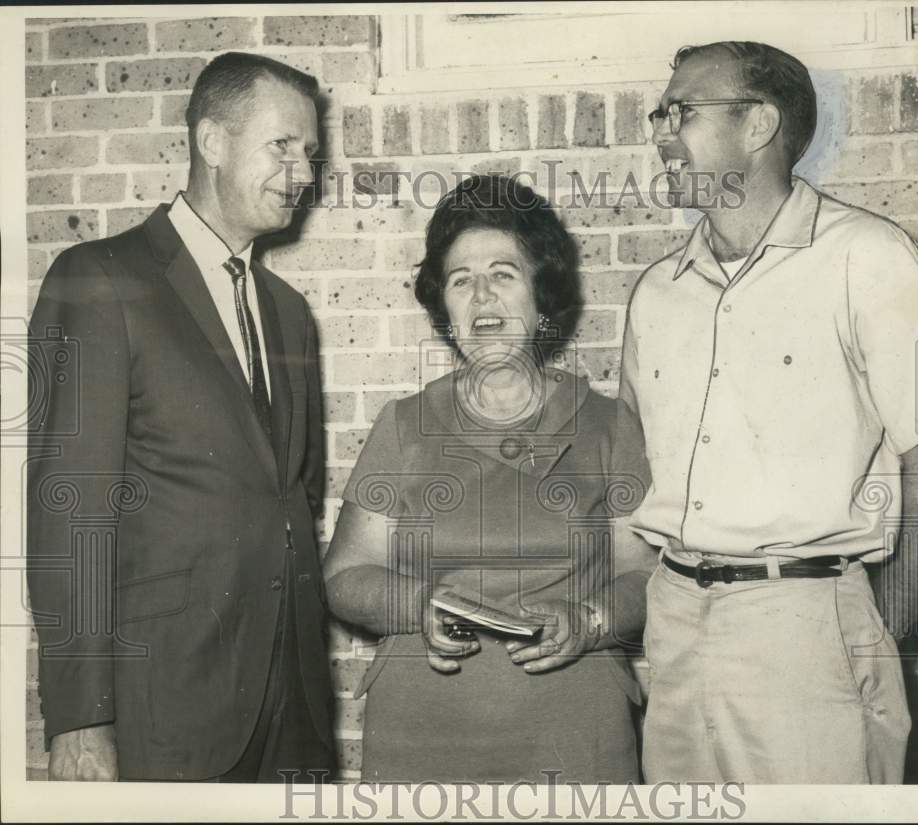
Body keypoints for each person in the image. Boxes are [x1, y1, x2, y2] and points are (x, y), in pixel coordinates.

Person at [622, 41, 918, 784]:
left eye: (682, 112)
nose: (660, 133)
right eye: (659, 115)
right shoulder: (657, 291)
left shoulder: (867, 256)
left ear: (759, 124)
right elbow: (628, 467)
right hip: (675, 625)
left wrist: (874, 635)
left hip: (808, 629)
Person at [27, 52, 335, 782]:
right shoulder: (99, 278)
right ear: (212, 141)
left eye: (310, 152)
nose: (303, 173)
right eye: (282, 145)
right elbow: (70, 512)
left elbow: (294, 497)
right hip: (165, 707)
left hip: (291, 709)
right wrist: (81, 718)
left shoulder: (290, 313)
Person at [323, 175, 655, 783]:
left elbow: (646, 577)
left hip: (573, 733)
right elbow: (343, 576)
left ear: (541, 294)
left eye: (503, 274)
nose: (482, 297)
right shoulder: (404, 424)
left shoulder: (608, 425)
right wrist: (416, 606)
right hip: (421, 733)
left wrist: (589, 620)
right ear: (444, 308)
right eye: (460, 280)